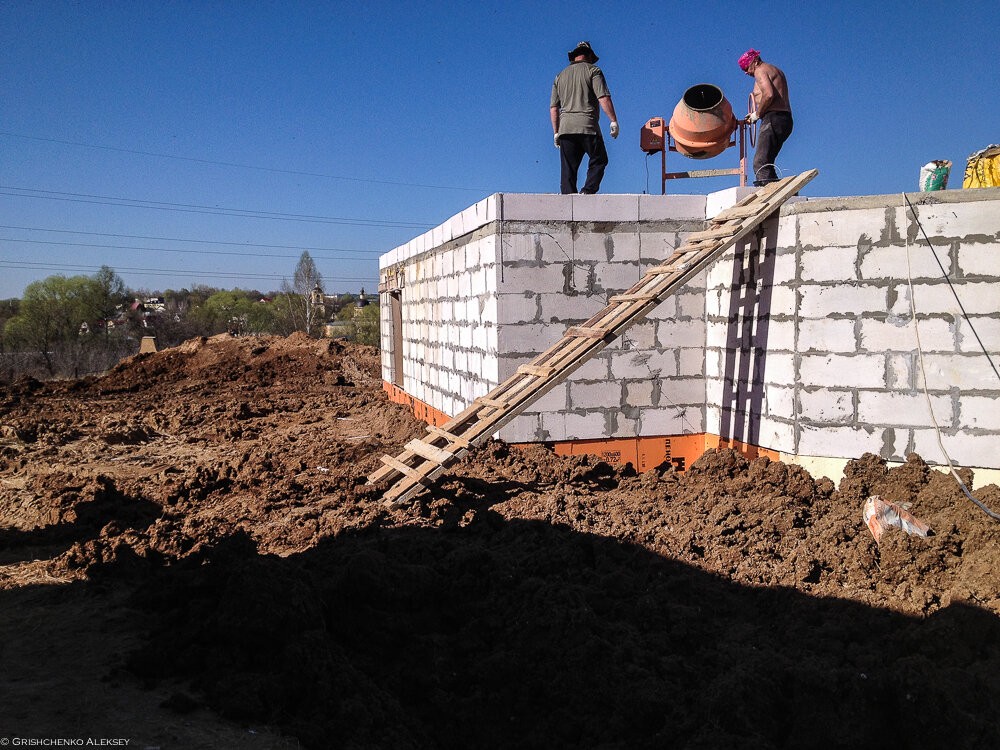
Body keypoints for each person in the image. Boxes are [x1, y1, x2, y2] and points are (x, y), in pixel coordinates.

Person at [550, 41, 619, 195]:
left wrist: (556, 132)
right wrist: (613, 120)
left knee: (568, 169)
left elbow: (554, 108)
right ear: (588, 55)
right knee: (599, 159)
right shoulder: (593, 70)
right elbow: (603, 97)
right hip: (588, 126)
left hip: (566, 129)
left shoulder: (559, 76)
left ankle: (569, 201)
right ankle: (587, 192)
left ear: (574, 56)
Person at [739, 48, 793, 186]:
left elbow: (768, 94)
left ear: (755, 61)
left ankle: (768, 201)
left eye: (746, 67)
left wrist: (757, 114)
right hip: (783, 119)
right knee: (766, 162)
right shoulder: (774, 70)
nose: (746, 72)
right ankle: (780, 192)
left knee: (760, 162)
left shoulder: (760, 70)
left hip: (774, 118)